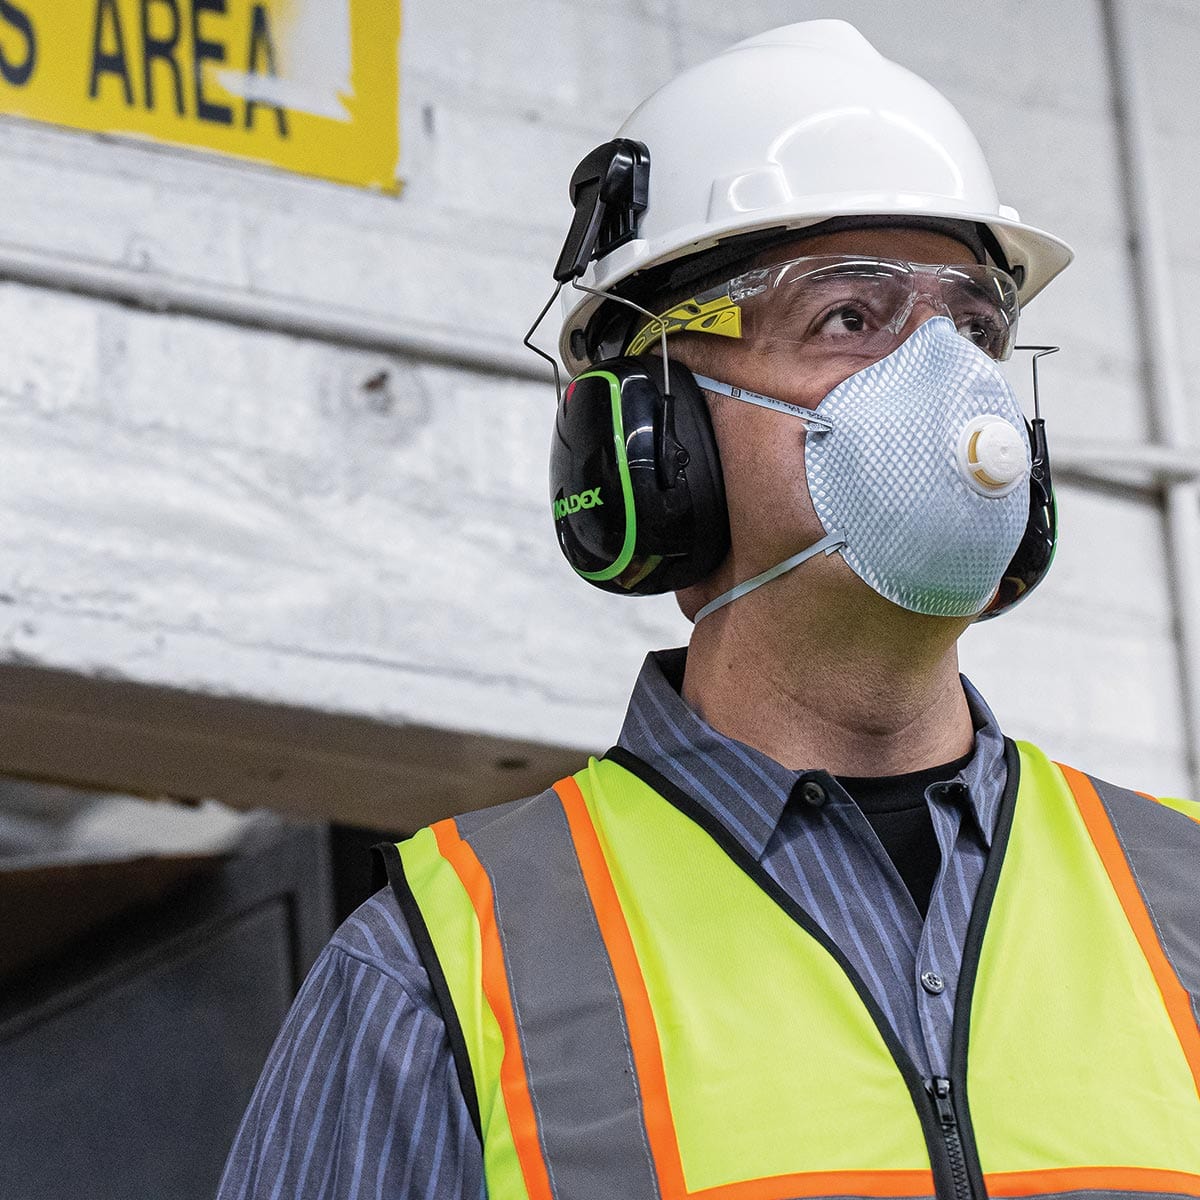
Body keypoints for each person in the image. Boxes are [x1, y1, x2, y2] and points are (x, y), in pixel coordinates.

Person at [219, 21, 1200, 1200]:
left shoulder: (1184, 893)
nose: (953, 390)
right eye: (851, 317)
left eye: (977, 329)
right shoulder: (443, 977)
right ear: (654, 435)